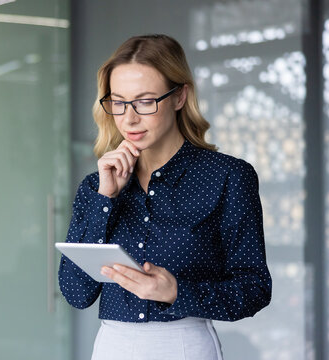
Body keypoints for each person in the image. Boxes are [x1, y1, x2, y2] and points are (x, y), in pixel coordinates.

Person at [58, 34, 272, 360]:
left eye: (145, 101)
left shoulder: (228, 176)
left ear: (180, 96)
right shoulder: (97, 185)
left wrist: (176, 292)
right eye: (118, 101)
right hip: (112, 347)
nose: (129, 118)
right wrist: (106, 199)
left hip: (186, 346)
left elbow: (254, 288)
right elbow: (76, 293)